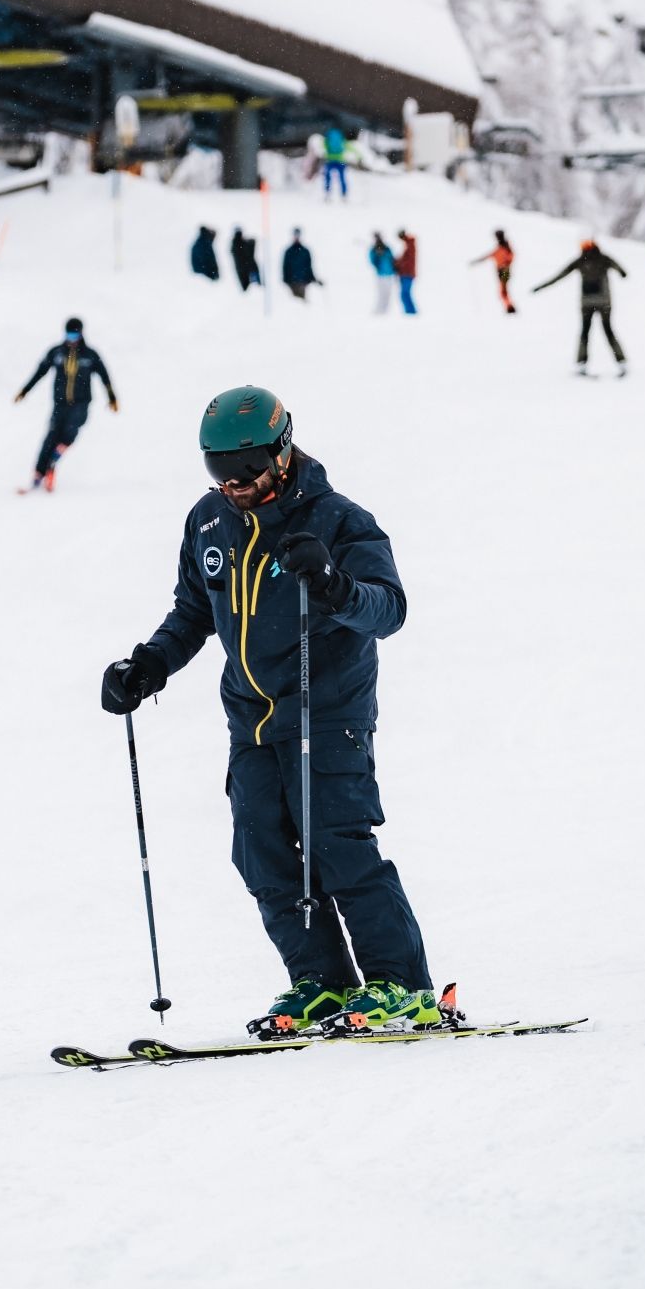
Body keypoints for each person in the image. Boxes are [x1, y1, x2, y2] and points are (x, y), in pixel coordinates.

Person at [99, 386, 436, 1037]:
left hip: (327, 715)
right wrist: (148, 667)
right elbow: (193, 613)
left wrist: (334, 584)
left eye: (246, 468)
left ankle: (402, 984)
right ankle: (322, 982)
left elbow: (387, 609)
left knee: (338, 847)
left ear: (281, 452)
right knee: (260, 852)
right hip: (250, 722)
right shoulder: (207, 522)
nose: (233, 483)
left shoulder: (339, 520)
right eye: (217, 469)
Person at [15, 317, 118, 492]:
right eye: (68, 333)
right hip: (60, 403)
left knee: (68, 434)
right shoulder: (57, 352)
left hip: (81, 404)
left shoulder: (90, 355)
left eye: (74, 333)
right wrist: (25, 390)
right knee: (50, 437)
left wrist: (112, 398)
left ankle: (52, 462)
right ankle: (39, 474)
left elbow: (104, 376)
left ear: (80, 333)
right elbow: (40, 372)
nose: (71, 337)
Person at [532, 238, 628, 376]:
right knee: (608, 331)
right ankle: (621, 362)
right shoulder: (603, 258)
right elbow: (621, 270)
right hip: (604, 302)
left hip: (587, 303)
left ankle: (581, 363)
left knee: (585, 333)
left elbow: (559, 276)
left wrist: (540, 287)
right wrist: (622, 273)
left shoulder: (581, 260)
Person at [471, 229, 517, 314]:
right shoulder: (501, 248)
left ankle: (510, 307)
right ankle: (509, 307)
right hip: (502, 271)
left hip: (504, 271)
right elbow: (489, 255)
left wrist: (505, 265)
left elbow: (510, 257)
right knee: (503, 291)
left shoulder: (505, 248)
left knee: (503, 291)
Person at [281, 228, 320, 301]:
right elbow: (285, 268)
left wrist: (313, 279)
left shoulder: (305, 252)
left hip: (303, 283)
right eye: (295, 235)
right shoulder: (289, 252)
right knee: (293, 302)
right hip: (291, 284)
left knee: (301, 304)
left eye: (298, 235)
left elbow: (309, 267)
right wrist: (286, 280)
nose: (297, 237)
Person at [368, 231, 396, 315]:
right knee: (381, 294)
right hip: (381, 275)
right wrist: (377, 255)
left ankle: (384, 311)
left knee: (388, 294)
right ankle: (378, 311)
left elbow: (392, 259)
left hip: (389, 274)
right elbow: (372, 261)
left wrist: (384, 254)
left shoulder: (386, 248)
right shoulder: (373, 249)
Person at [321, 127, 353, 199]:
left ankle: (327, 192)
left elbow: (324, 146)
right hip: (340, 160)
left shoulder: (328, 135)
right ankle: (344, 193)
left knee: (328, 176)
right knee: (342, 177)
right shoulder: (340, 135)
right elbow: (347, 146)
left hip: (330, 160)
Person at [394, 228, 419, 315]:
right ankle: (409, 312)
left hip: (407, 274)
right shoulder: (407, 246)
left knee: (405, 294)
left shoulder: (410, 245)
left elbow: (406, 261)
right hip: (405, 274)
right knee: (404, 294)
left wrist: (398, 264)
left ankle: (411, 312)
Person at [230, 227, 261, 292]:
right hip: (250, 270)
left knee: (250, 291)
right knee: (254, 290)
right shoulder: (240, 244)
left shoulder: (235, 245)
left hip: (244, 271)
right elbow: (249, 254)